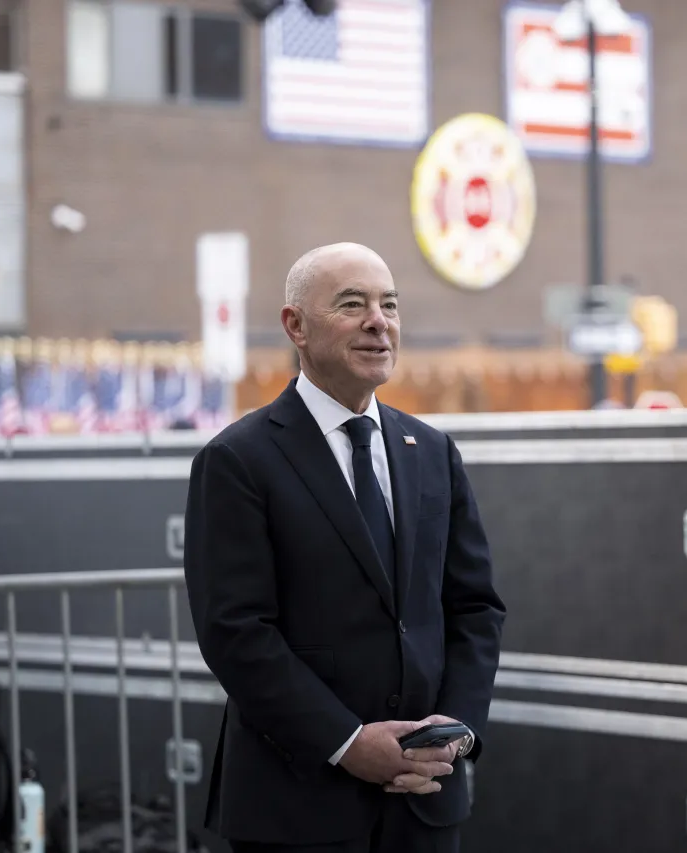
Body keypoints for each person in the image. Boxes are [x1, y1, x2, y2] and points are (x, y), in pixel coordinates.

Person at [183, 242, 506, 853]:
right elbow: (235, 631)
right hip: (298, 806)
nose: (377, 321)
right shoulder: (238, 461)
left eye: (388, 304)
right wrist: (349, 743)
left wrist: (457, 730)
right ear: (295, 326)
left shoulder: (433, 452)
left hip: (424, 803)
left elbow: (474, 608)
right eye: (351, 304)